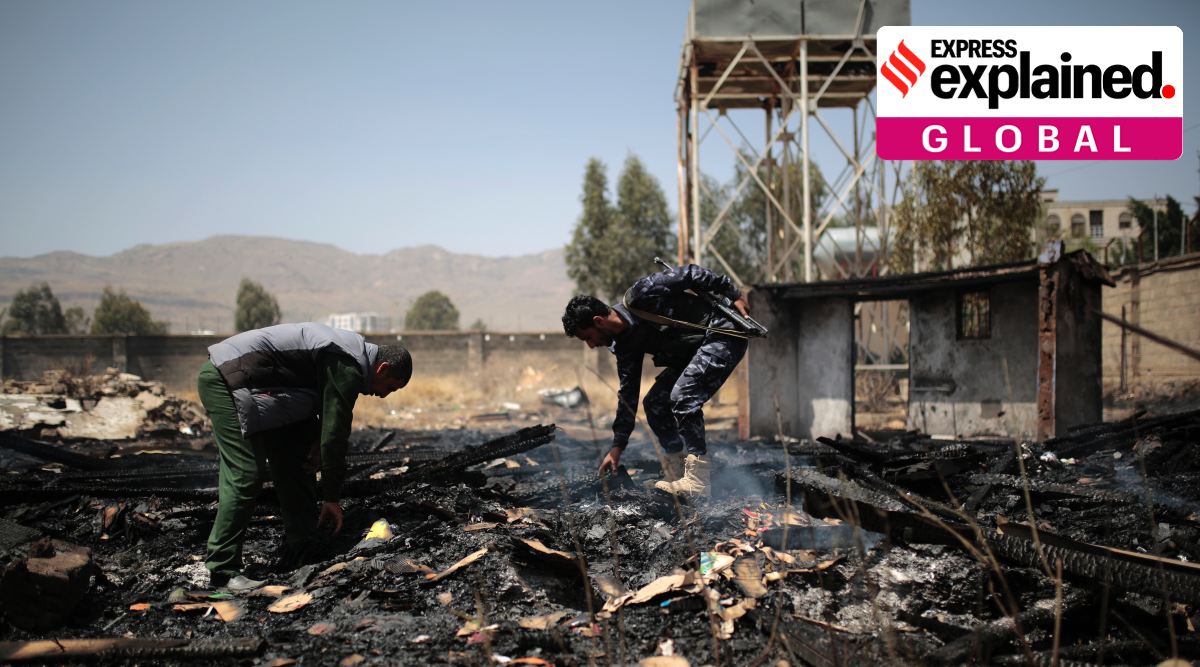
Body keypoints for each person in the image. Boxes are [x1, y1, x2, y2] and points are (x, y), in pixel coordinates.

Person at [197, 322, 412, 590]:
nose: (382, 395)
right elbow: (336, 433)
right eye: (389, 387)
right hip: (228, 378)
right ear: (382, 369)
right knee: (245, 474)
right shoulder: (347, 362)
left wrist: (314, 440)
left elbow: (312, 396)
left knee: (298, 465)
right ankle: (222, 571)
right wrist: (331, 497)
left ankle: (302, 548)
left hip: (271, 391)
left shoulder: (346, 356)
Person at [561, 263, 750, 499]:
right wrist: (617, 447)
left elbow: (691, 273)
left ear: (599, 321)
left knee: (683, 395)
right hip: (695, 351)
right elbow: (628, 396)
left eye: (588, 337)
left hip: (723, 333)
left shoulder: (641, 295)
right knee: (655, 404)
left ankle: (699, 482)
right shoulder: (624, 345)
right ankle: (680, 469)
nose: (591, 345)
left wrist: (733, 294)